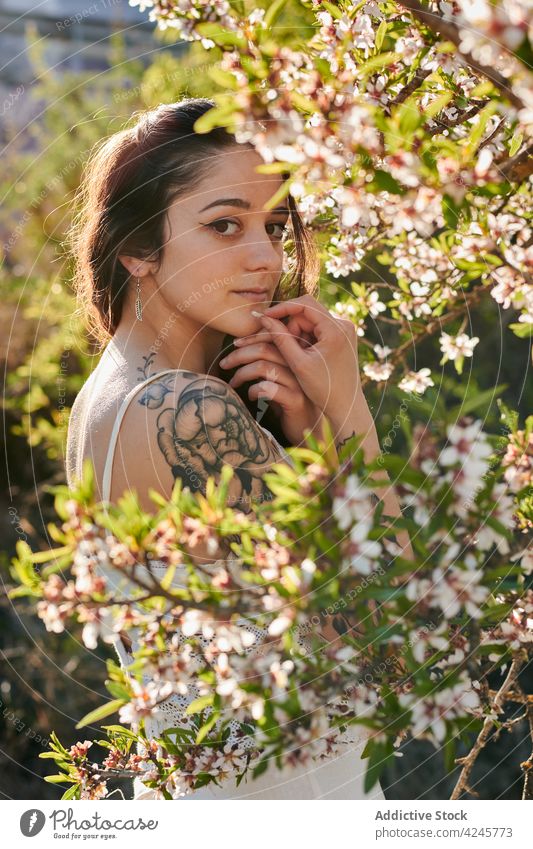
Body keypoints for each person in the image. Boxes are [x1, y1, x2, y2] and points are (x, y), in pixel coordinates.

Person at [65, 98, 406, 799]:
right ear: (136, 247)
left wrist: (307, 431)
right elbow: (396, 640)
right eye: (224, 225)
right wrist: (347, 410)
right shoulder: (181, 411)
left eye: (274, 226)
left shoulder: (113, 394)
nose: (264, 258)